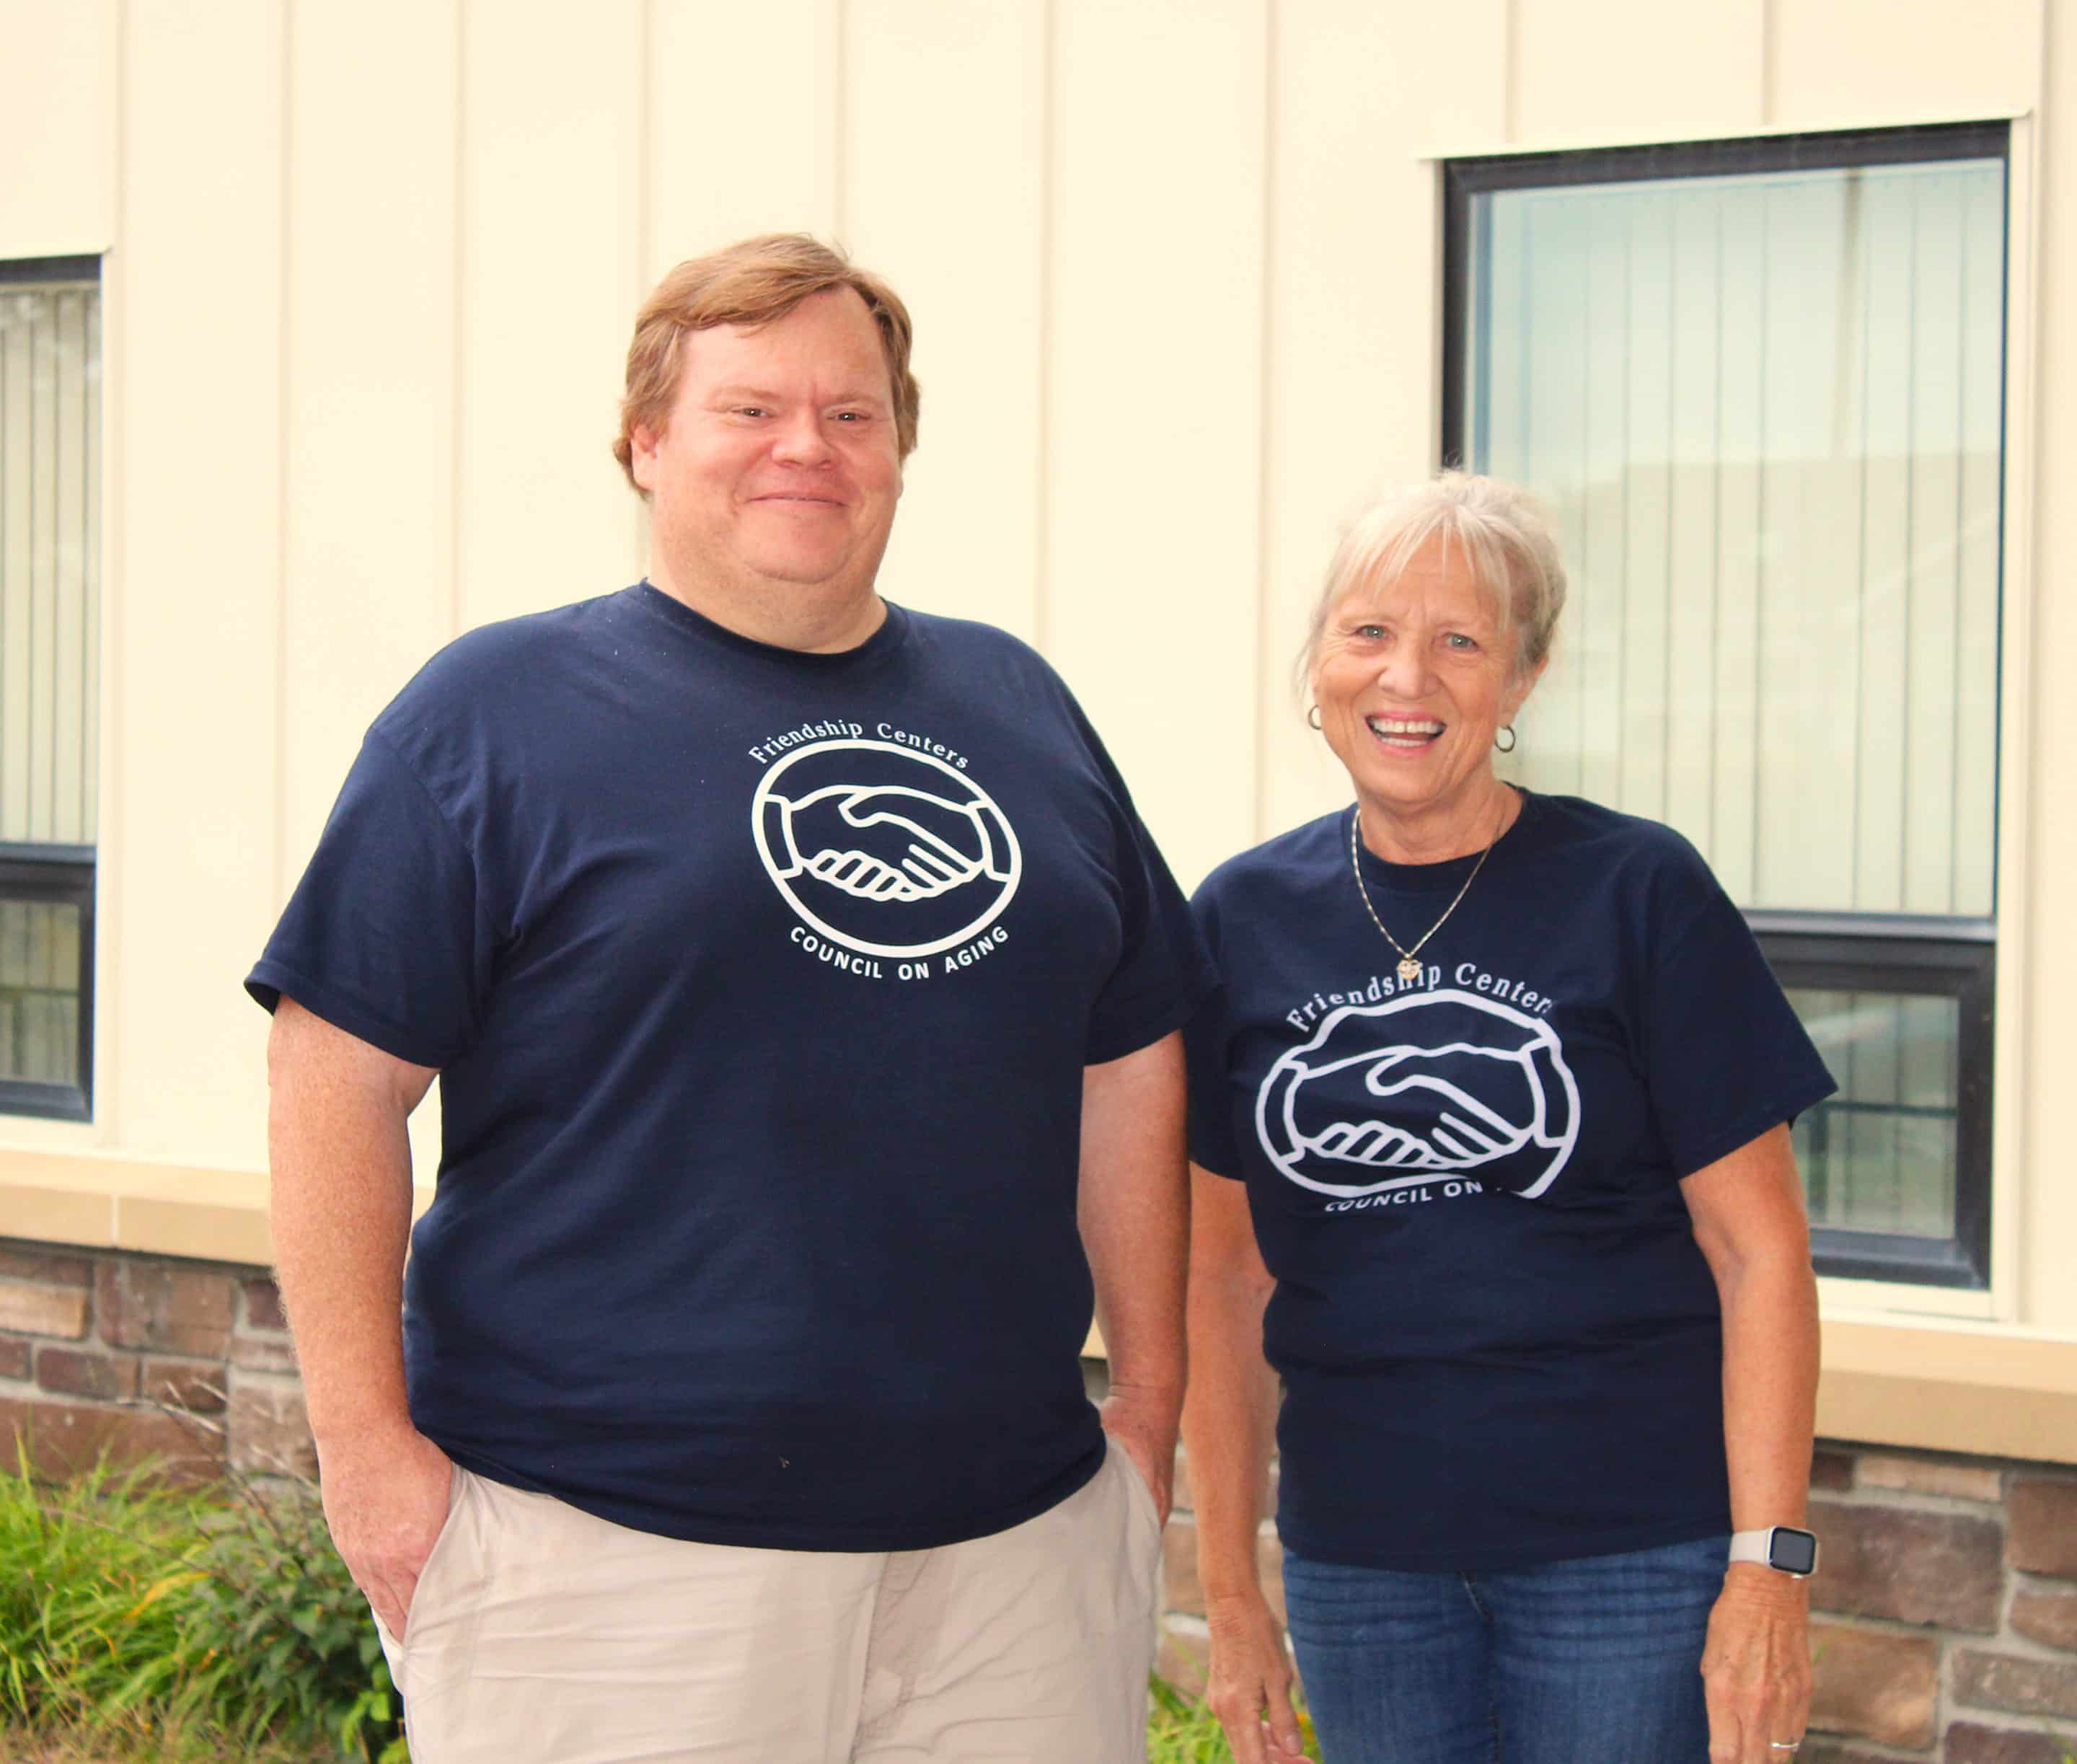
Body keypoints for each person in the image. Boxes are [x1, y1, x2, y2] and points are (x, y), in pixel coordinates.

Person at [248, 233, 1207, 1764]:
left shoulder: (1021, 705)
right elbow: (332, 1078)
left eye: (851, 413)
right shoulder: (493, 714)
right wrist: (367, 1458)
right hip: (608, 1559)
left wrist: (1147, 1412)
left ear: (898, 447)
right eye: (751, 409)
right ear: (646, 442)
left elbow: (1130, 1051)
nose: (806, 448)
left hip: (1014, 1561)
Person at [1181, 472, 1833, 1764]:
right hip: (1363, 1565)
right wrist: (1231, 1592)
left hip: (1627, 1557)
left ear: (1525, 677)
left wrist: (1770, 1571)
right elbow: (1222, 1273)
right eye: (1369, 632)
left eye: (1461, 641)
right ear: (1319, 664)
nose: (1405, 677)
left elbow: (1759, 1251)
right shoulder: (1240, 918)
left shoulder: (1638, 889)